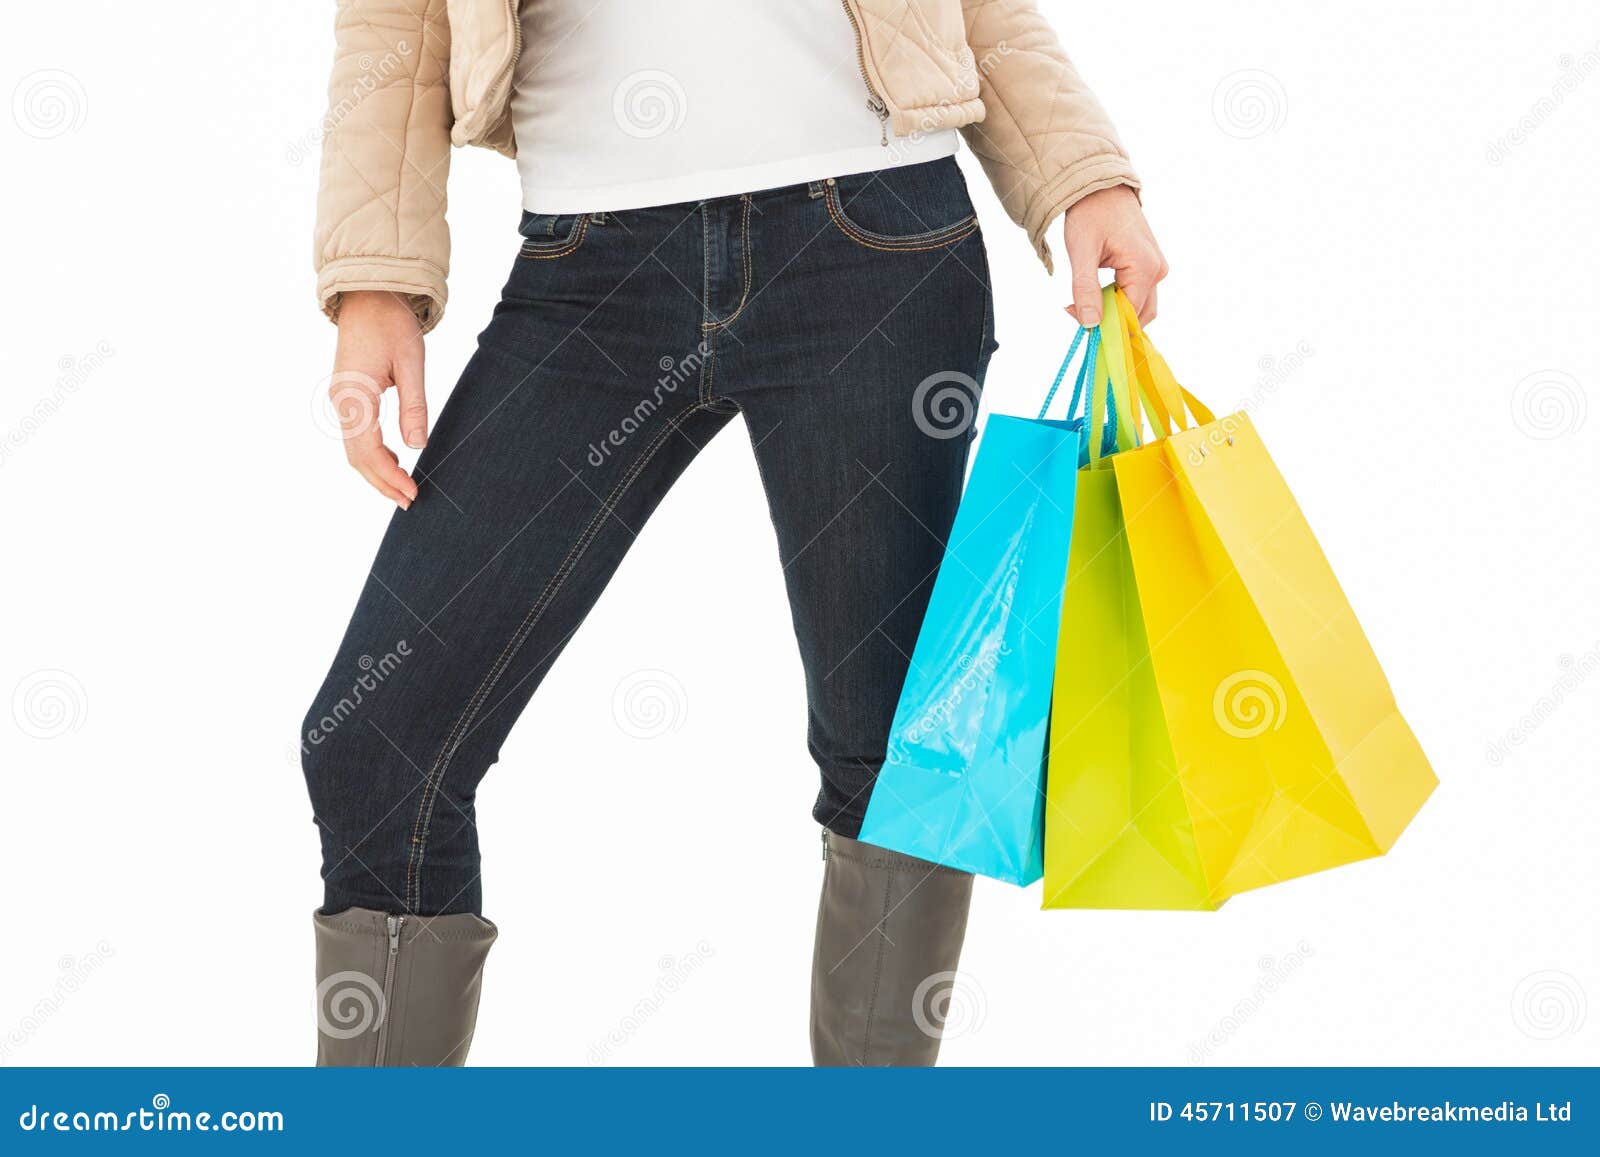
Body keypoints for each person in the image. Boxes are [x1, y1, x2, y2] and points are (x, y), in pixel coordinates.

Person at [304, 0, 1166, 1066]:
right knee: (377, 741)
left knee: (883, 752)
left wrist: (1081, 174)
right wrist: (374, 280)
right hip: (589, 272)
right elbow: (396, 25)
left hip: (872, 237)